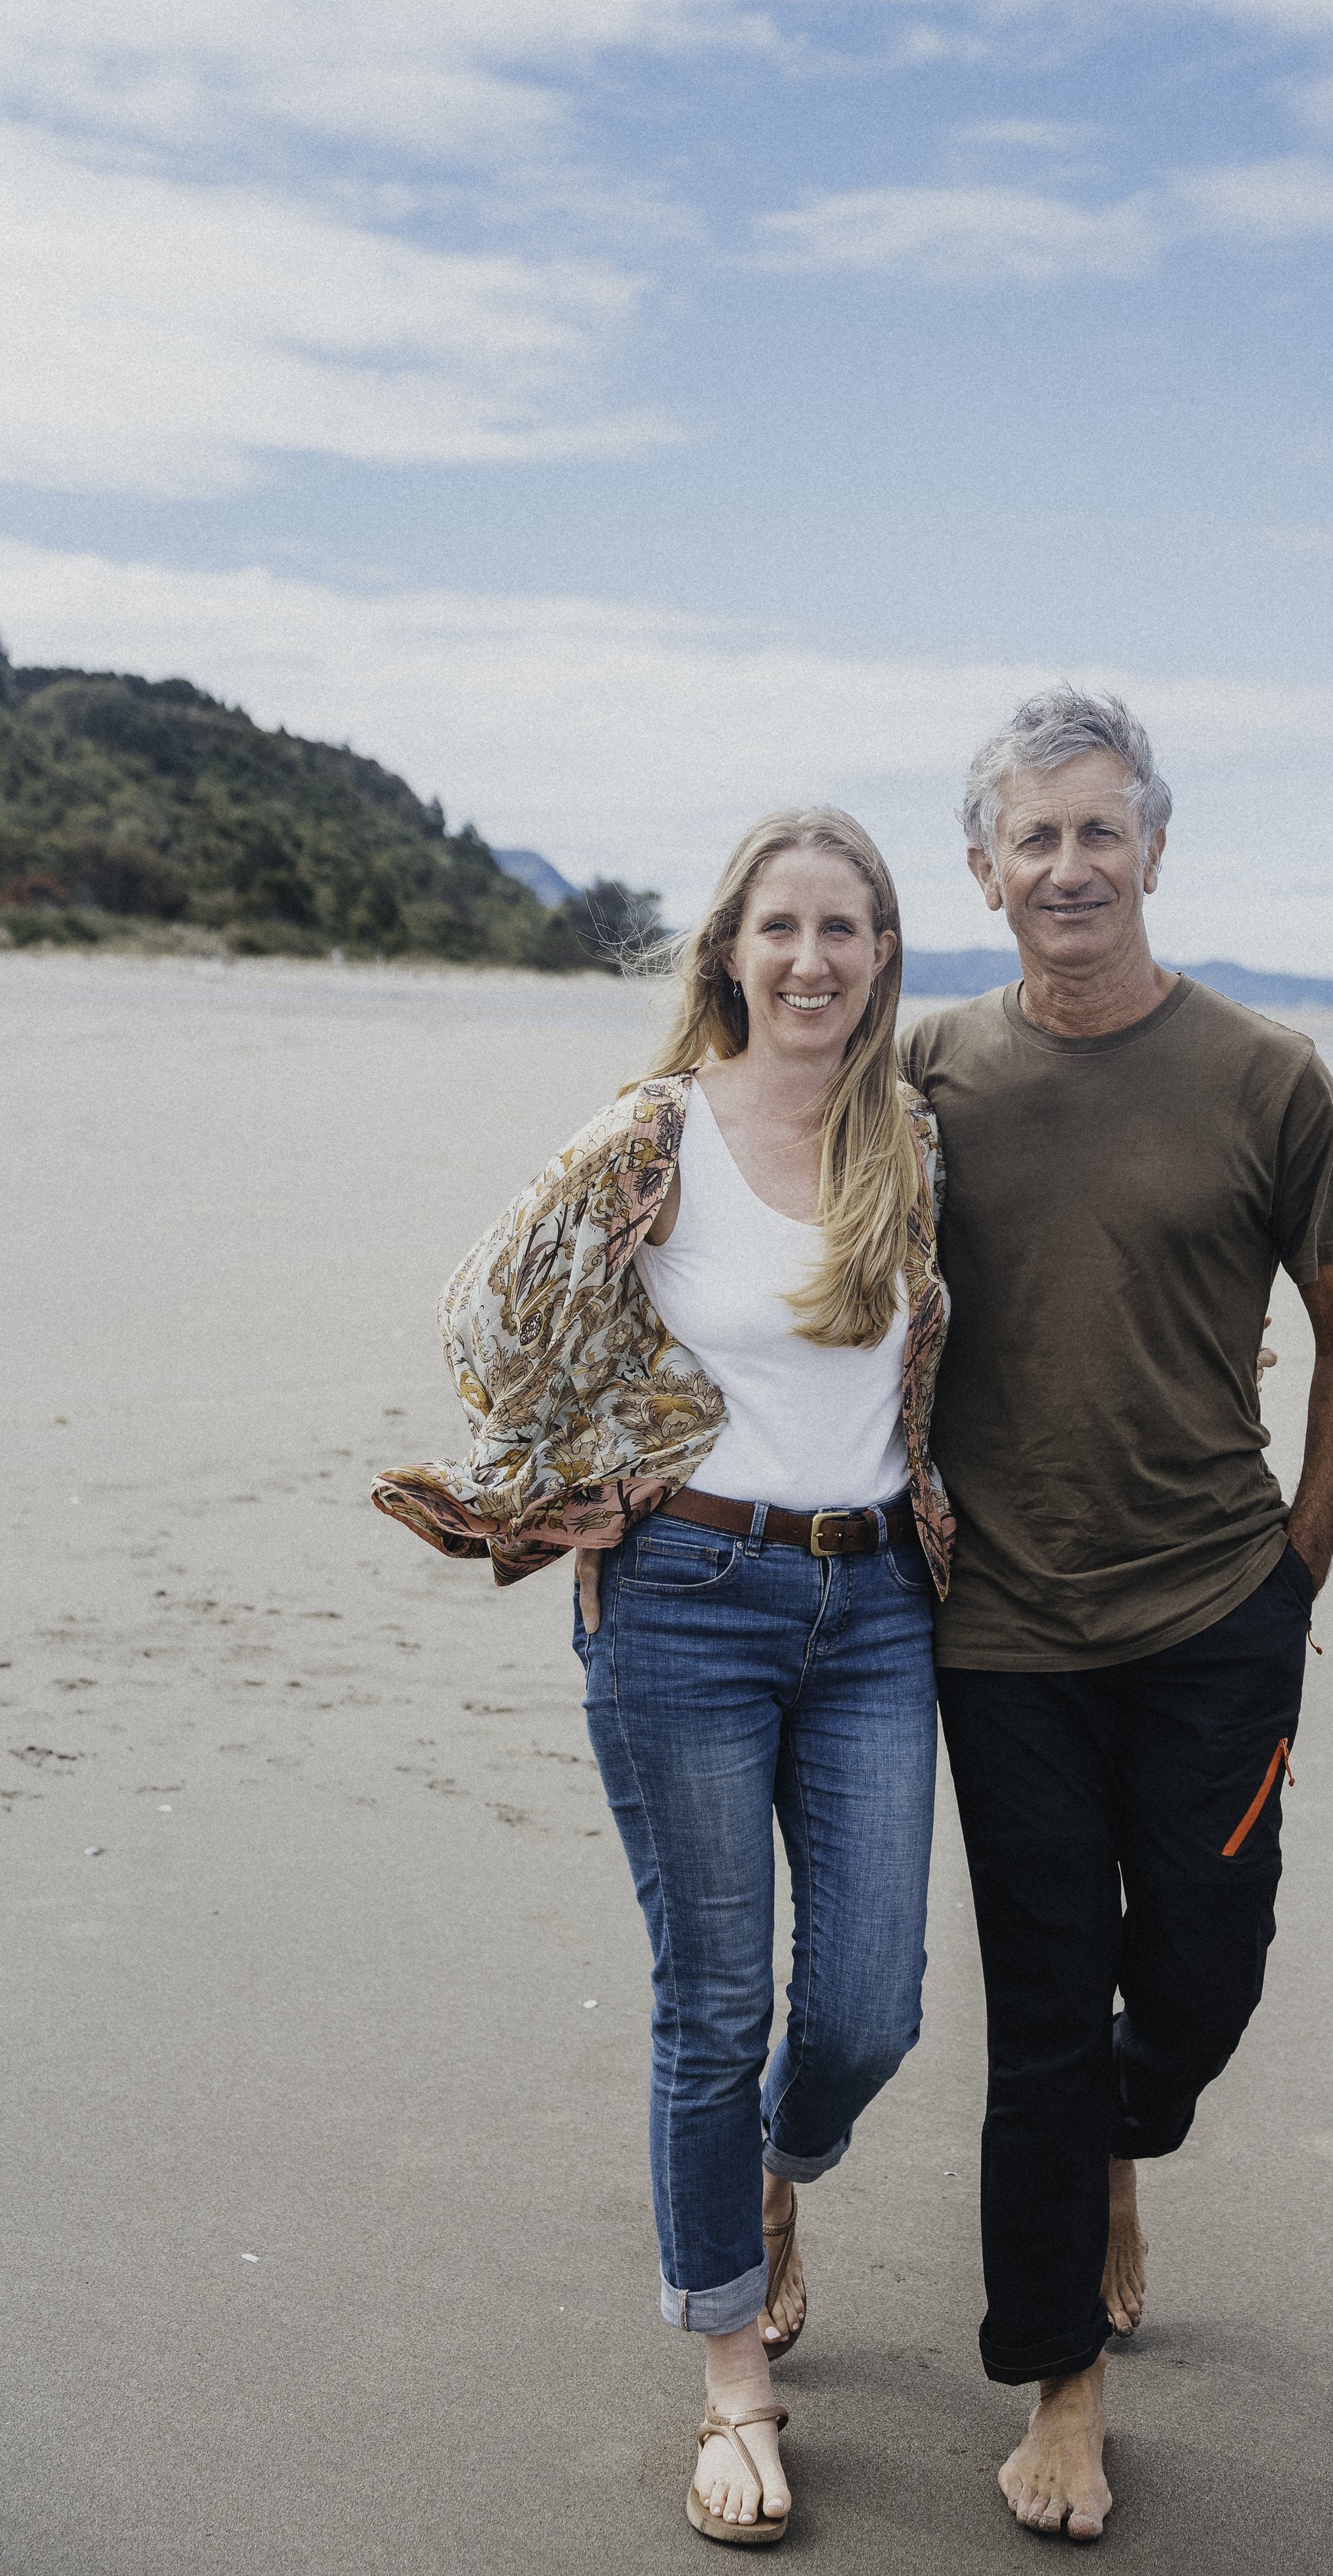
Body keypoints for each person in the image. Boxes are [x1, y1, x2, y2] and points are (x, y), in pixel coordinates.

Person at [374, 808, 951, 2548]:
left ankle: (779, 2178)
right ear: (728, 951)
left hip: (877, 1609)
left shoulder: (908, 1141)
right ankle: (730, 2385)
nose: (810, 960)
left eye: (842, 928)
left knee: (865, 2008)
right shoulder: (652, 1134)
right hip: (686, 1598)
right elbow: (490, 1326)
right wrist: (594, 1464)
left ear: (879, 954)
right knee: (710, 2005)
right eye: (780, 927)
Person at [899, 687, 1333, 2543]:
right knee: (1038, 2012)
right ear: (981, 869)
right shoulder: (926, 1072)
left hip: (1213, 1612)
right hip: (1001, 1632)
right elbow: (796, 1248)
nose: (1068, 864)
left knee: (1198, 1974)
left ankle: (1130, 2134)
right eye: (1033, 836)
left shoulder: (1268, 1080)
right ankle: (1061, 2390)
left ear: (1156, 850)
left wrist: (1296, 1573)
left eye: (1100, 829)